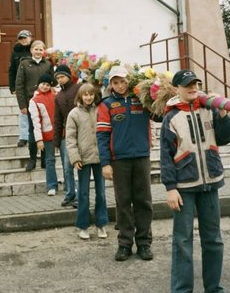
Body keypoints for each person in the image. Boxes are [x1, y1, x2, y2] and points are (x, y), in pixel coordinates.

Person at [160, 69, 230, 293]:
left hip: (210, 183)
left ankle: (214, 288)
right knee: (182, 242)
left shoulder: (210, 109)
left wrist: (223, 115)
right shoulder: (171, 117)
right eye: (187, 85)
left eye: (196, 83)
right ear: (178, 89)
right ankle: (182, 290)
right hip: (184, 187)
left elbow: (225, 137)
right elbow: (166, 155)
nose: (193, 88)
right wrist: (170, 188)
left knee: (213, 240)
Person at [96, 65, 155, 262]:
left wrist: (156, 92)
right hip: (118, 160)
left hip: (141, 156)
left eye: (123, 81)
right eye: (115, 82)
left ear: (129, 80)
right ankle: (124, 244)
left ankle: (144, 243)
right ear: (110, 84)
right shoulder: (106, 105)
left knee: (143, 201)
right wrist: (105, 163)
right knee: (123, 203)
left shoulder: (142, 98)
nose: (120, 85)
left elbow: (161, 115)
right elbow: (102, 136)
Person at [66, 83, 109, 240]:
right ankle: (83, 226)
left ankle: (101, 224)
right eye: (85, 95)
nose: (88, 97)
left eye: (91, 94)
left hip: (100, 157)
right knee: (83, 193)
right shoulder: (74, 114)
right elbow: (70, 139)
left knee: (102, 192)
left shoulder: (101, 110)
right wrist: (75, 157)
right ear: (80, 96)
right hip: (82, 159)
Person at [15, 40, 54, 171]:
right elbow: (19, 85)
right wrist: (22, 105)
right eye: (36, 49)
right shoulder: (24, 64)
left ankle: (44, 159)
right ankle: (32, 159)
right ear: (31, 50)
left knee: (45, 129)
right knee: (32, 131)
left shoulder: (48, 64)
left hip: (45, 103)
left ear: (44, 52)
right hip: (31, 102)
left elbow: (52, 83)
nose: (38, 52)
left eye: (41, 50)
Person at [28, 73, 59, 196]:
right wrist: (39, 139)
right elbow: (36, 121)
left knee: (67, 161)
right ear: (38, 84)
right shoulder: (34, 101)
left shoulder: (56, 96)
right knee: (50, 160)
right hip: (47, 135)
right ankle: (52, 186)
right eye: (43, 84)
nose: (45, 86)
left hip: (61, 132)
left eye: (47, 84)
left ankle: (71, 186)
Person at [53, 64, 79, 208]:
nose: (60, 80)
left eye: (62, 76)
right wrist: (56, 141)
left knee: (80, 165)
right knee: (67, 167)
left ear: (69, 76)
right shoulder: (58, 96)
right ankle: (70, 193)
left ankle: (81, 195)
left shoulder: (79, 89)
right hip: (65, 136)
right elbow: (57, 119)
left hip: (80, 134)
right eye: (57, 78)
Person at [9, 30, 33, 148]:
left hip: (34, 84)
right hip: (21, 86)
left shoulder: (34, 49)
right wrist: (12, 87)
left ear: (30, 38)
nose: (24, 40)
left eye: (26, 38)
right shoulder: (15, 53)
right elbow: (12, 70)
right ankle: (24, 137)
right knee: (23, 111)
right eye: (21, 38)